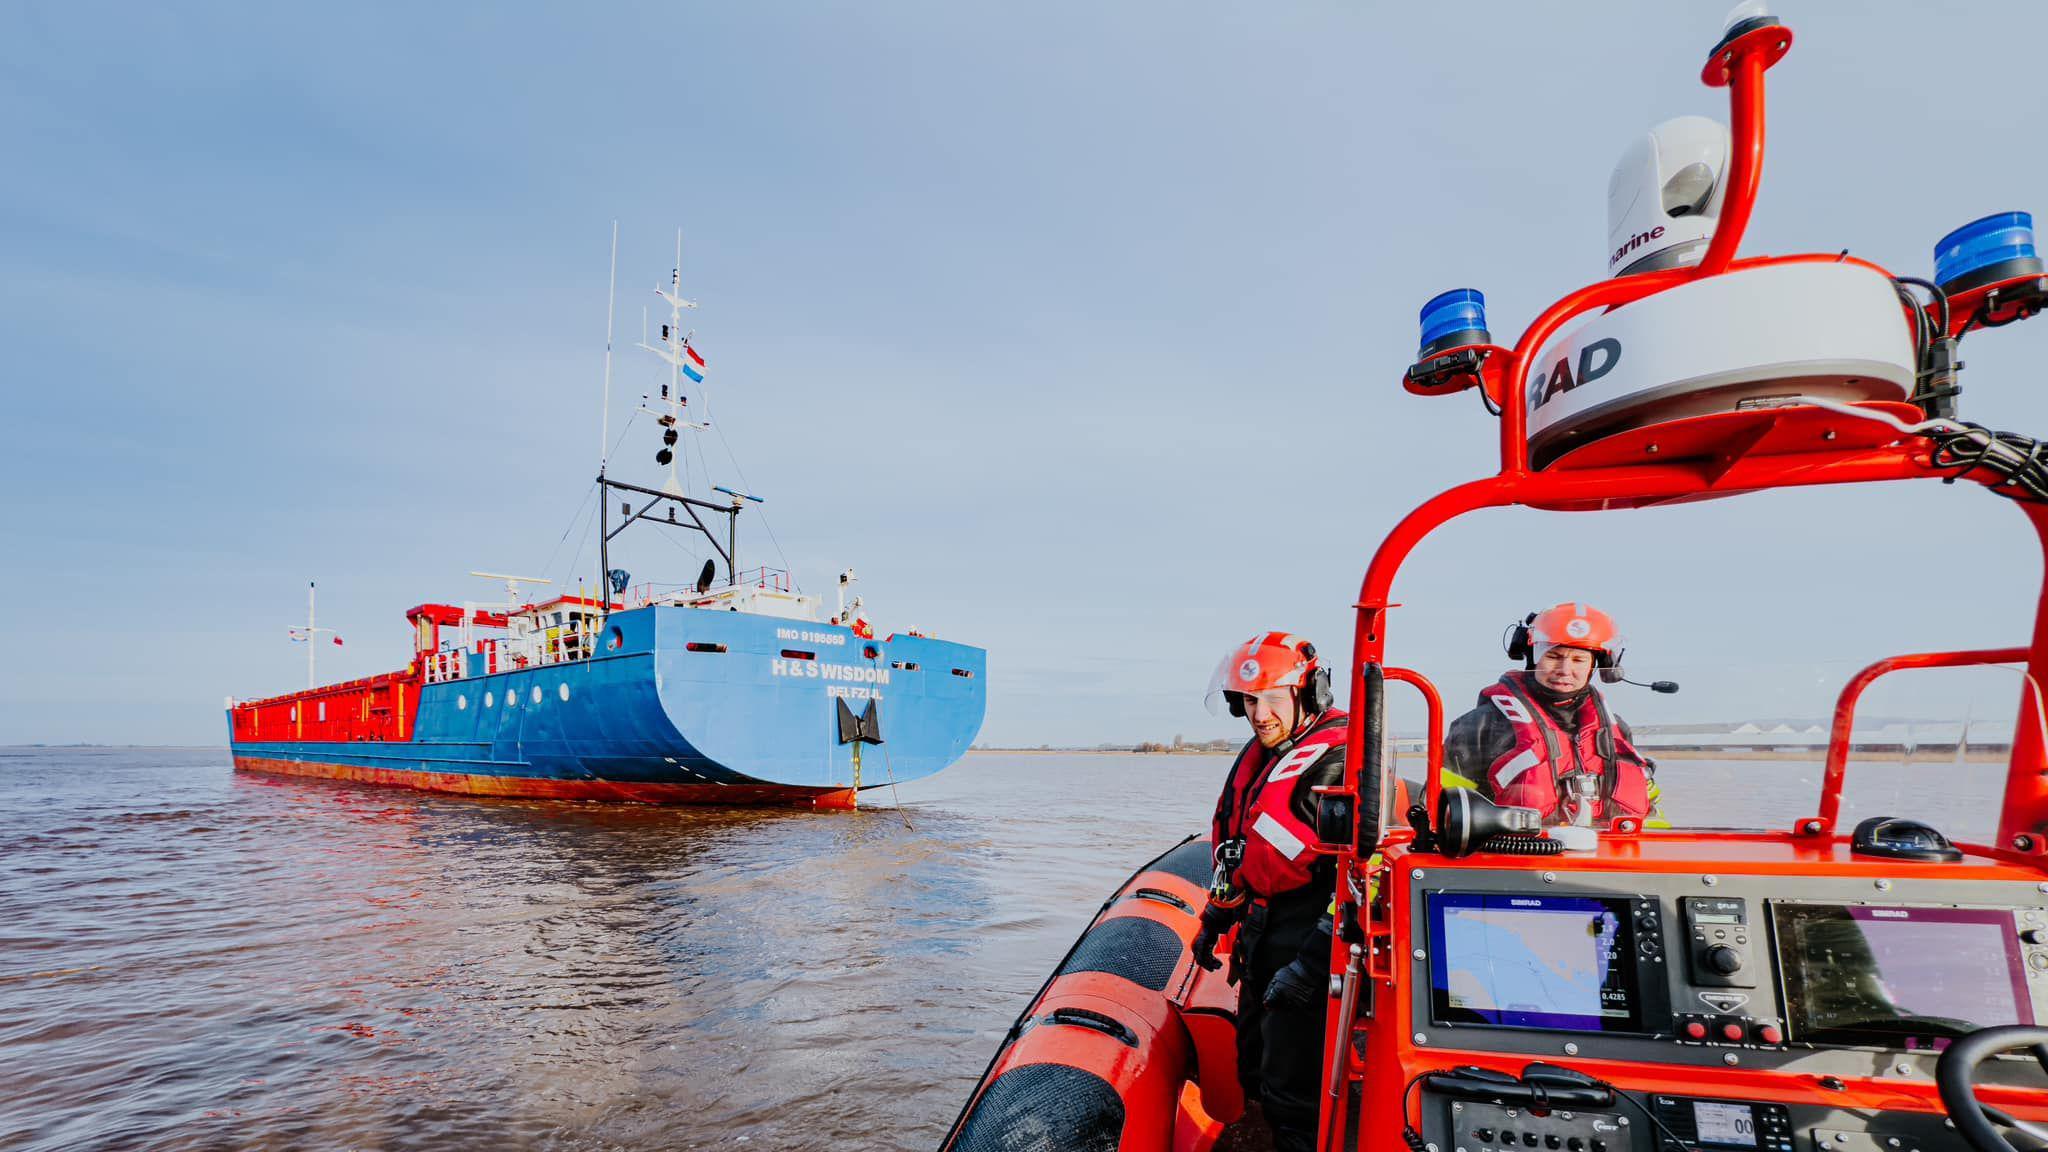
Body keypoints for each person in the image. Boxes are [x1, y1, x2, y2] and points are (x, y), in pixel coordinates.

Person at [1194, 632, 1346, 1152]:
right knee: (1254, 1068)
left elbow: (1362, 877)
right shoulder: (1272, 753)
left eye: (1273, 700)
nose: (1260, 714)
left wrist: (1310, 965)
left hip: (1311, 940)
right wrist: (1215, 918)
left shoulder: (1340, 763)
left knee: (1292, 1086)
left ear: (1309, 694)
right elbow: (1243, 853)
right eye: (1250, 701)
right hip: (1263, 932)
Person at [1442, 602, 1669, 828]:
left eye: (1578, 660)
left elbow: (1653, 817)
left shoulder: (1618, 728)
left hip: (1610, 858)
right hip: (1516, 858)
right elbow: (1444, 809)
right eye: (1554, 656)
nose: (1565, 669)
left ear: (1597, 666)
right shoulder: (1480, 725)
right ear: (1533, 657)